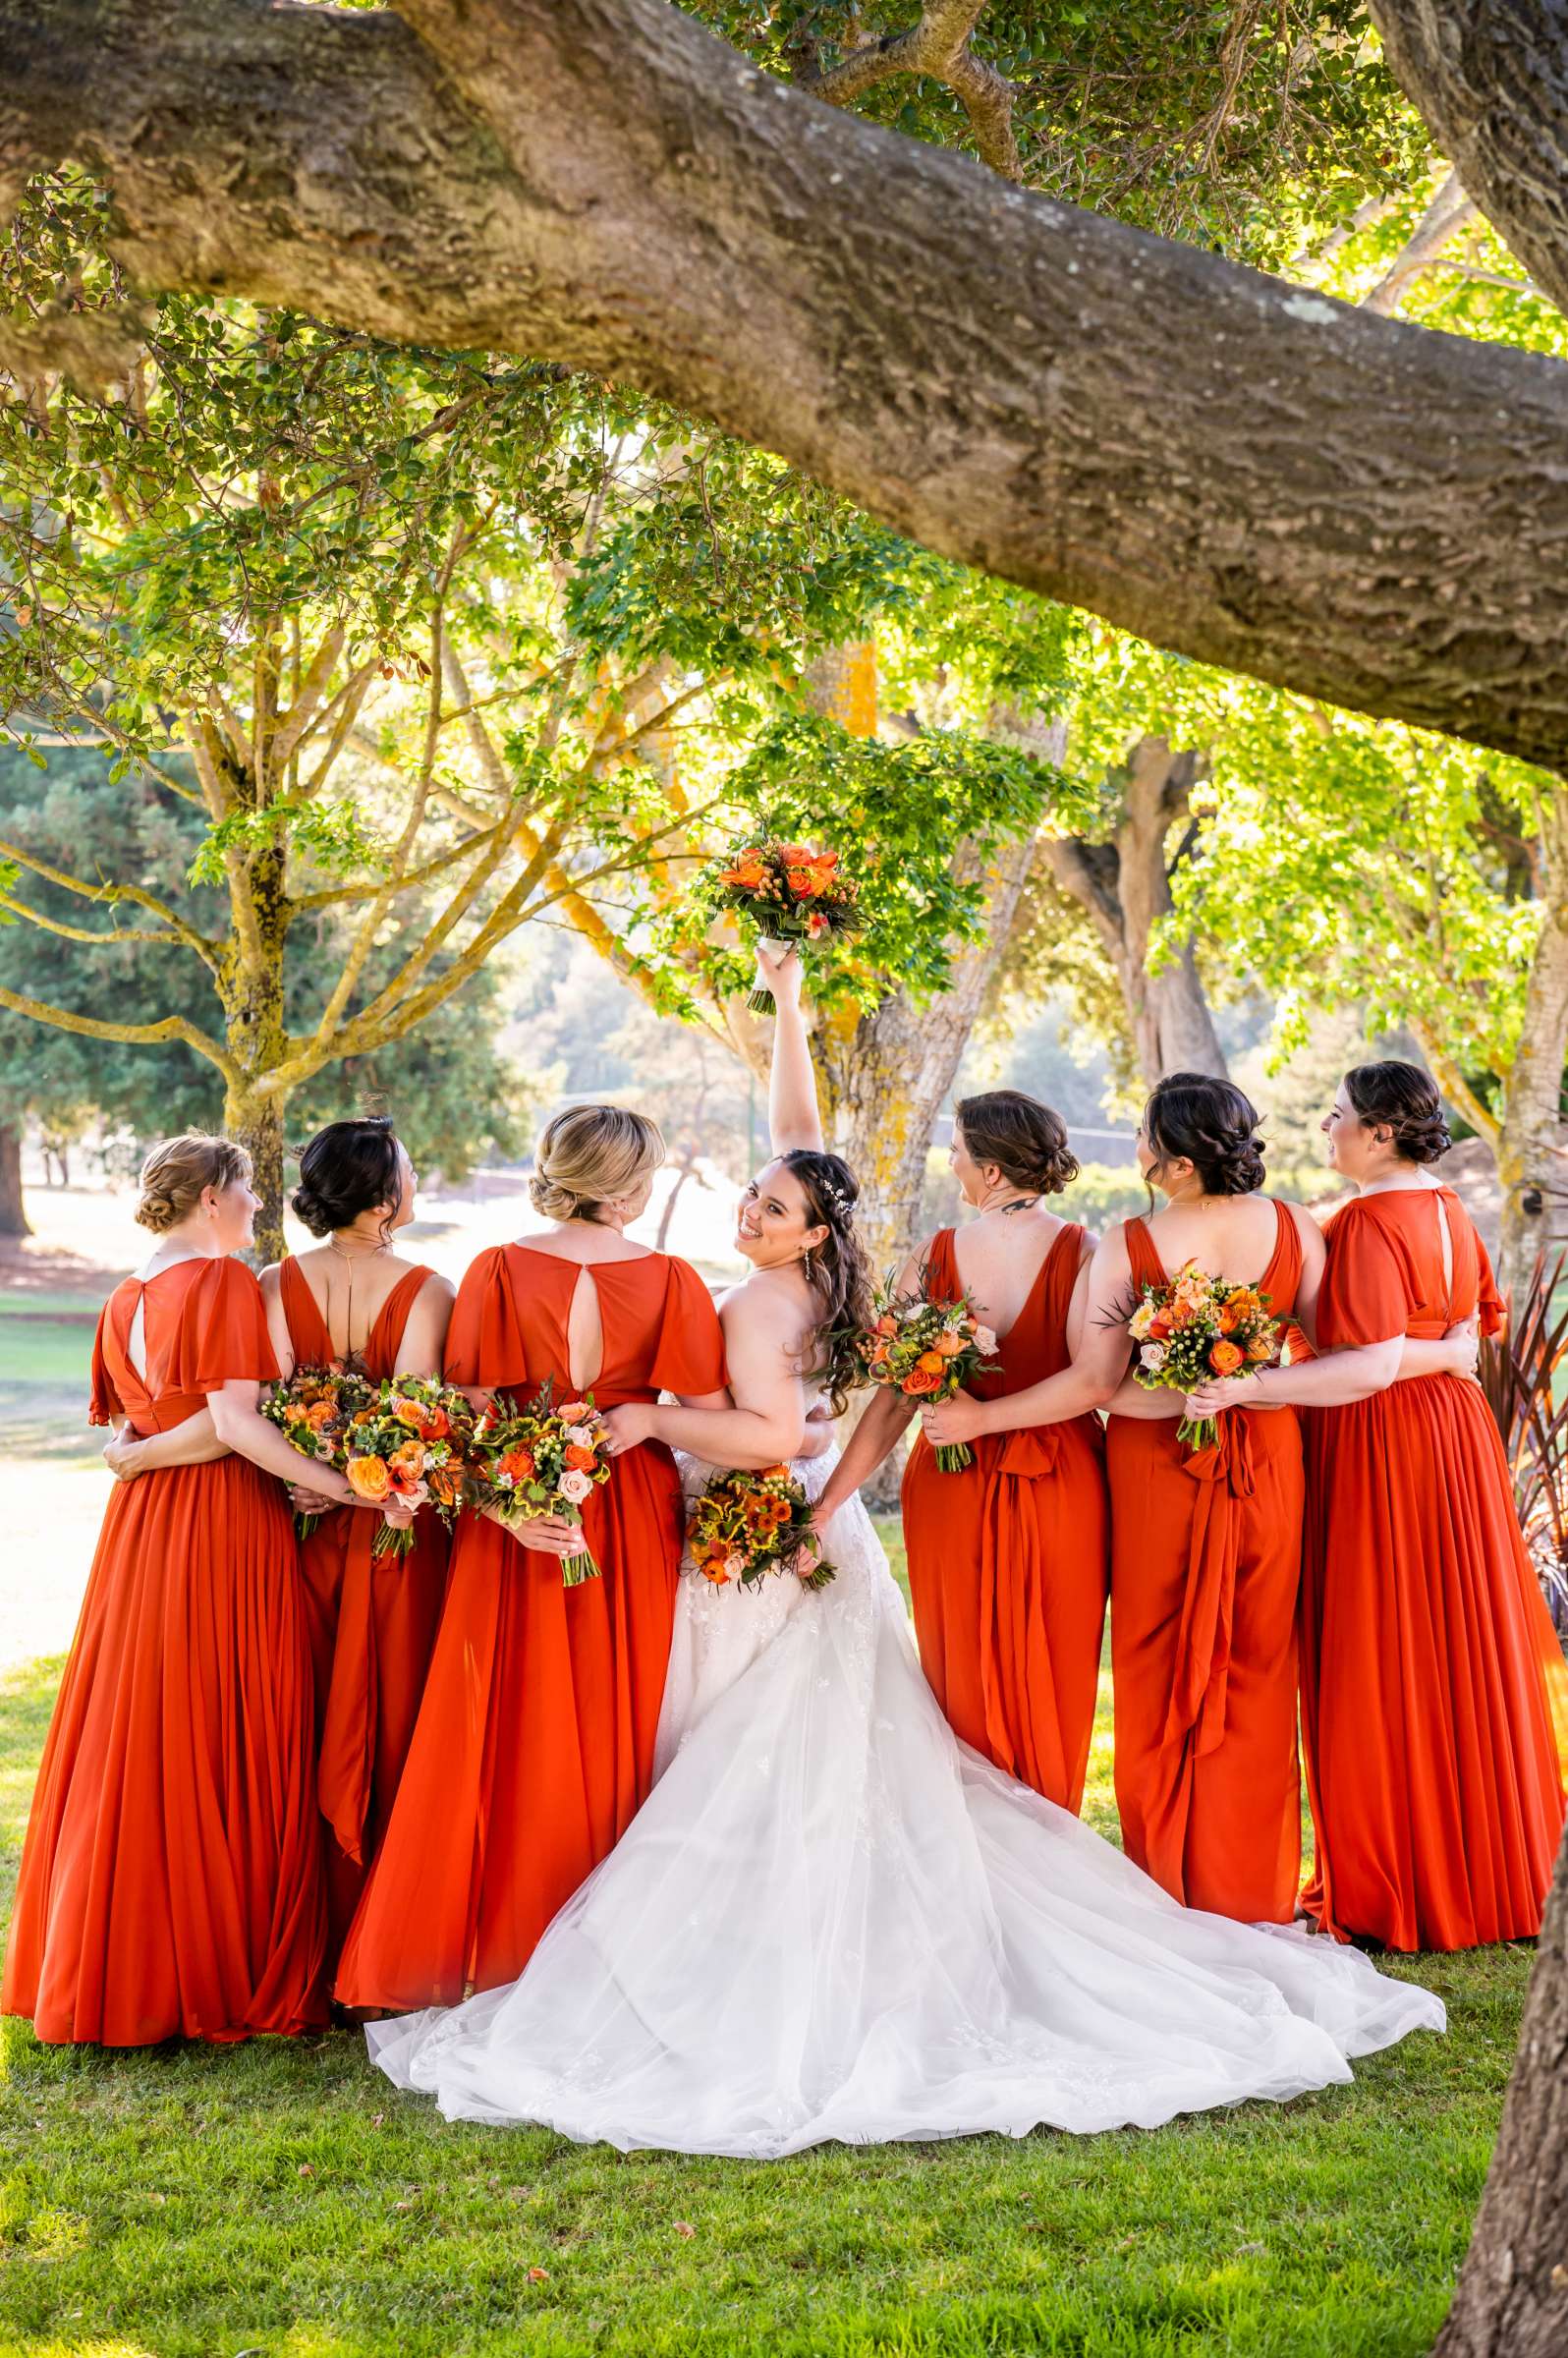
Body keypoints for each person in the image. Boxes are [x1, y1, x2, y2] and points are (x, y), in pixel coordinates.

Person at [361, 963, 1444, 2157]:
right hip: (836, 1516)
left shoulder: (777, 1286)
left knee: (738, 1740)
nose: (745, 1212)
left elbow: (816, 1404)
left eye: (766, 1208)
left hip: (784, 1515)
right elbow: (806, 1163)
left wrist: (694, 1436)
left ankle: (702, 1934)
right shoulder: (832, 1268)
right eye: (748, 1201)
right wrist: (781, 1006)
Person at [333, 1100, 728, 2013]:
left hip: (513, 1506)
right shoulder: (670, 1277)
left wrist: (509, 1510)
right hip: (623, 1505)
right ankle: (607, 1950)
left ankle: (507, 1943)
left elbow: (468, 1414)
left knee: (505, 1725)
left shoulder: (500, 1267)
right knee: (621, 1719)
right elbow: (703, 1416)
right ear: (629, 1184)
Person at [1188, 1060, 1568, 1950]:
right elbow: (1467, 1343)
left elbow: (1365, 1364)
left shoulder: (1363, 1223)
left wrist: (1247, 1386)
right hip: (1457, 1437)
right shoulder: (1448, 1209)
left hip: (1384, 1443)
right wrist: (1434, 1359)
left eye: (1337, 1117)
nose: (1326, 1130)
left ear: (1381, 1132)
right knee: (1454, 1642)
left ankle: (1402, 1875)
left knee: (1379, 1644)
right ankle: (1489, 1863)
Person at [1, 1135, 346, 2045]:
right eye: (244, 1194)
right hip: (222, 1520)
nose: (255, 1212)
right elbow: (229, 1426)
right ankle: (215, 1960)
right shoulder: (224, 1282)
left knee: (142, 1721)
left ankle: (125, 1953)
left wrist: (136, 1459)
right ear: (206, 1202)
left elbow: (127, 1429)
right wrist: (343, 1481)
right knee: (228, 1715)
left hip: (144, 1530)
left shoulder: (123, 1299)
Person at [812, 1089, 1117, 1812]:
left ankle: (986, 1842)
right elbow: (1092, 1384)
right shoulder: (1089, 1252)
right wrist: (828, 1505)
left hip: (959, 1469)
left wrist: (831, 1502)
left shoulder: (935, 1255)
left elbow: (892, 1402)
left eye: (956, 1149)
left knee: (965, 1665)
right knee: (1057, 1659)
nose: (949, 1161)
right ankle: (1039, 1835)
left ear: (989, 1172)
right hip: (1063, 1476)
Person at [259, 1116, 455, 1958]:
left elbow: (269, 1405)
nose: (414, 1183)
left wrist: (308, 1475)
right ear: (382, 1194)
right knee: (394, 1705)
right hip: (393, 1530)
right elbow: (409, 1414)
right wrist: (371, 1484)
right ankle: (383, 1918)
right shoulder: (426, 1289)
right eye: (407, 1171)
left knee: (303, 1709)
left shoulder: (271, 1282)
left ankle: (310, 1915)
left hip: (298, 1522)